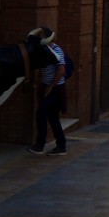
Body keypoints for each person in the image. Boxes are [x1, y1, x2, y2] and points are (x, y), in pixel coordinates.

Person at [27, 26, 68, 156]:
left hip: (55, 88)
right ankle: (61, 146)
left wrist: (50, 87)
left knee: (41, 113)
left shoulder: (56, 50)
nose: (40, 37)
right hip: (47, 87)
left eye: (42, 35)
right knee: (52, 117)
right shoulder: (43, 50)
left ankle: (40, 144)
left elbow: (61, 70)